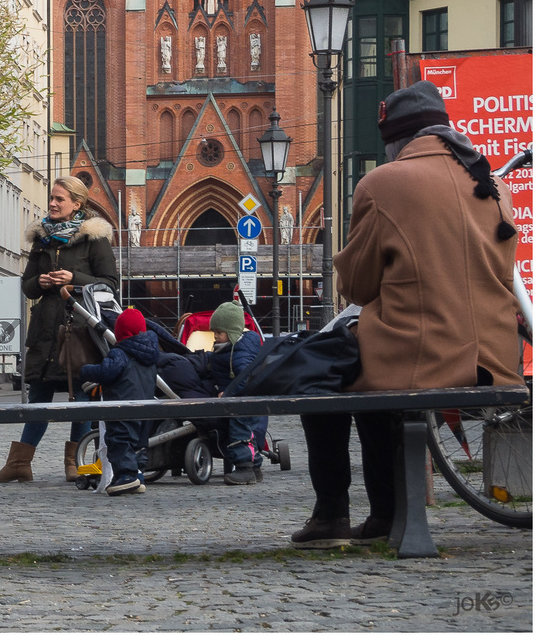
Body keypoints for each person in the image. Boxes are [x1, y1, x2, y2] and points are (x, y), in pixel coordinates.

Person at [292, 82, 523, 548]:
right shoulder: (494, 184)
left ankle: (333, 513)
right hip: (497, 358)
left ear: (396, 140)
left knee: (318, 379)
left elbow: (357, 286)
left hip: (428, 353)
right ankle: (384, 513)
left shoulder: (383, 183)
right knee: (372, 375)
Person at [0, 176, 118, 484]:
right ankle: (19, 463)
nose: (53, 204)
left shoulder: (94, 239)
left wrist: (74, 278)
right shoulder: (42, 239)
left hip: (80, 330)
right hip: (46, 331)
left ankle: (76, 462)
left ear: (77, 205)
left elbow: (110, 284)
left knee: (81, 398)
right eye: (52, 198)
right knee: (39, 398)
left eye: (60, 199)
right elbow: (27, 286)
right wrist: (40, 282)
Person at [78, 308, 159, 495]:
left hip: (122, 407)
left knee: (119, 440)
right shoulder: (150, 356)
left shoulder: (120, 353)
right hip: (145, 408)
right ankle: (138, 476)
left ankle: (126, 476)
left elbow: (106, 372)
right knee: (138, 443)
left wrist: (86, 370)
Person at [207, 301, 266, 485]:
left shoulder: (240, 355)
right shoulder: (229, 348)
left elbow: (245, 381)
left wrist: (228, 395)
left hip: (242, 400)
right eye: (214, 332)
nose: (215, 336)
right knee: (249, 434)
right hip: (241, 397)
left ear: (232, 333)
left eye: (219, 333)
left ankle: (244, 468)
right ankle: (255, 468)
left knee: (240, 430)